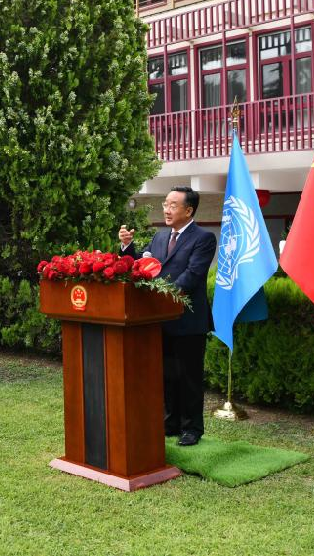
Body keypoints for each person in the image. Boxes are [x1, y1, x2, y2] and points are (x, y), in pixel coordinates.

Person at [119, 186, 217, 447]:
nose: (166, 209)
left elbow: (192, 276)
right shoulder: (159, 237)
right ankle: (170, 422)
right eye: (165, 203)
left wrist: (161, 295)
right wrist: (127, 247)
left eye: (173, 205)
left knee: (189, 378)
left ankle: (192, 428)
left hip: (188, 320)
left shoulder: (203, 238)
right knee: (167, 376)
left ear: (189, 210)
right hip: (159, 321)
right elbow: (142, 265)